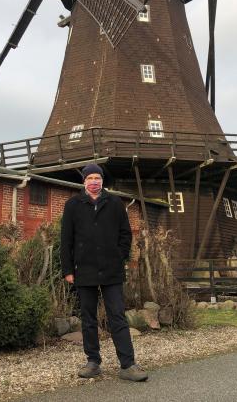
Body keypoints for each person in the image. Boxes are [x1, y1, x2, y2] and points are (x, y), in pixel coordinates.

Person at [60, 163, 148, 382]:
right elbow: (66, 240)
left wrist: (119, 256)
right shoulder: (73, 205)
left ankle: (127, 365)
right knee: (88, 318)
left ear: (102, 181)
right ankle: (93, 362)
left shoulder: (115, 203)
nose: (93, 182)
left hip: (111, 269)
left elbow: (125, 234)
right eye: (89, 178)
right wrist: (68, 269)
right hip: (84, 269)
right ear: (84, 182)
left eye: (97, 178)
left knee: (117, 315)